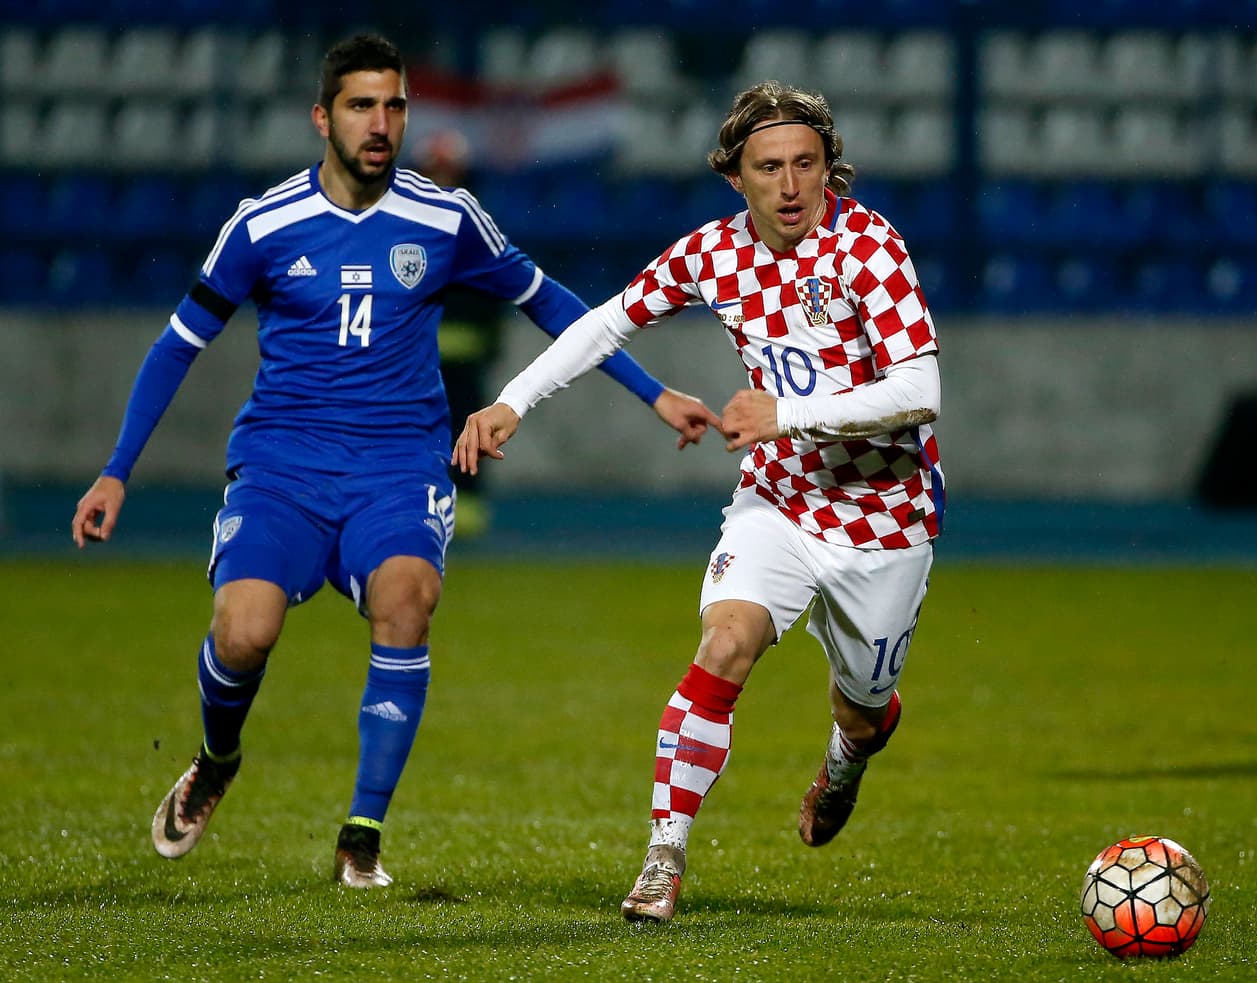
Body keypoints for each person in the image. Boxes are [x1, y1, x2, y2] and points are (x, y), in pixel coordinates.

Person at [70, 33, 718, 889]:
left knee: (407, 602)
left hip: (398, 465)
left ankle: (360, 837)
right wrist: (118, 467)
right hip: (282, 464)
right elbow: (176, 345)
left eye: (395, 106)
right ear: (322, 117)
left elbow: (551, 301)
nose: (382, 124)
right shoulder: (262, 225)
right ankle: (217, 758)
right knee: (244, 632)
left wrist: (655, 390)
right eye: (361, 106)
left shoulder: (445, 217)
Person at [454, 80, 944, 923]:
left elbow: (921, 388)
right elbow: (606, 324)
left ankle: (845, 759)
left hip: (884, 513)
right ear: (736, 177)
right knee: (724, 644)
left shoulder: (870, 249)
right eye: (769, 168)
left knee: (863, 711)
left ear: (830, 168)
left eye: (806, 164)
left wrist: (787, 412)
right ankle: (663, 856)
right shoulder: (712, 254)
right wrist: (511, 401)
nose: (791, 186)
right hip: (781, 498)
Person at [413, 128, 503, 538]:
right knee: (420, 431)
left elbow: (494, 289)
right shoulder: (424, 225)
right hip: (420, 355)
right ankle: (427, 506)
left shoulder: (470, 225)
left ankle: (464, 509)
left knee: (466, 429)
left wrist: (489, 341)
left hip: (462, 353)